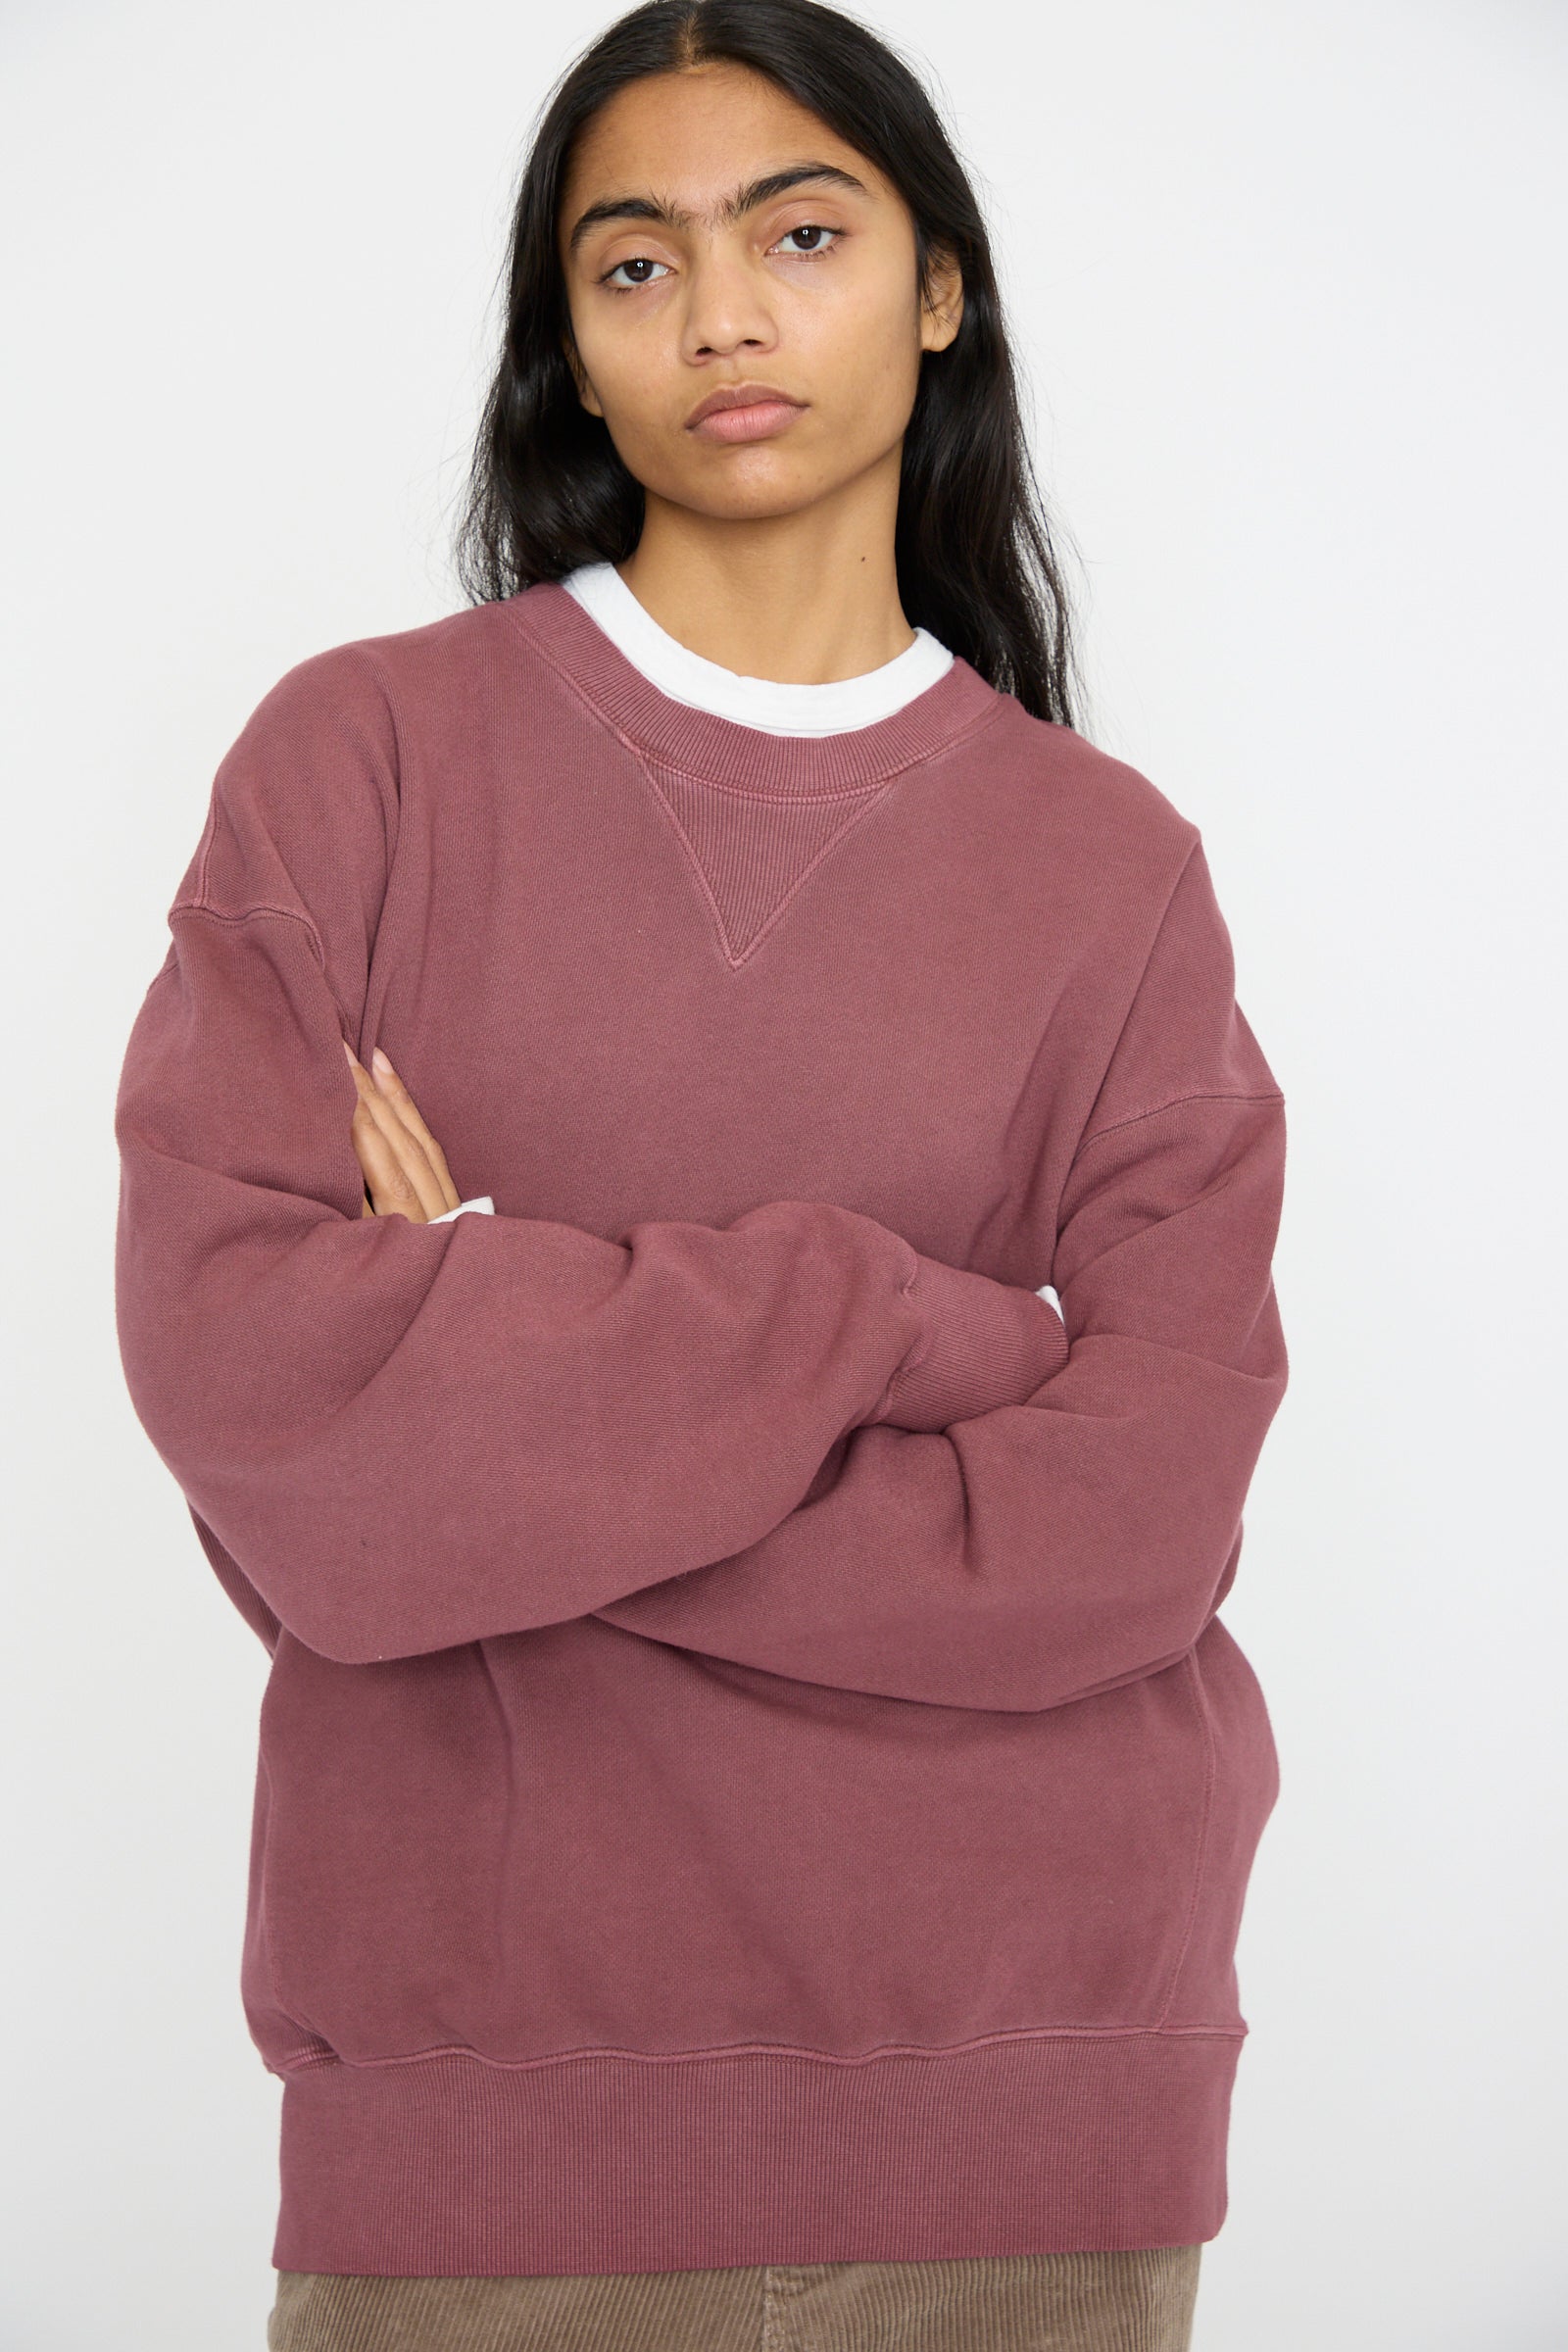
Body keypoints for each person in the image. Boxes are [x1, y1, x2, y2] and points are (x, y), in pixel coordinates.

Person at [113, 3, 1290, 2346]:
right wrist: (930, 1335)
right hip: (479, 2129)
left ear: (935, 287)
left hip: (1034, 2112)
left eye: (801, 234)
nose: (720, 313)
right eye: (629, 265)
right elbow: (272, 1418)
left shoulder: (1106, 871)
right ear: (567, 341)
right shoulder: (363, 768)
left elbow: (1142, 1519)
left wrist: (502, 1360)